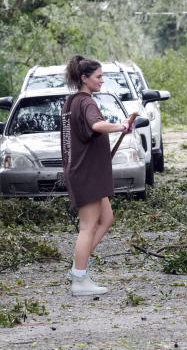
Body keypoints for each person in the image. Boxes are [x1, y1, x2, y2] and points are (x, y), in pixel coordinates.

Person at [62, 55, 134, 296]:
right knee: (88, 226)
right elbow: (96, 126)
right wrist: (121, 126)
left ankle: (77, 268)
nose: (102, 81)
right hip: (86, 173)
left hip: (85, 170)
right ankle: (79, 279)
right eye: (98, 77)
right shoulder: (86, 103)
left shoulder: (72, 102)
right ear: (84, 78)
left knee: (106, 219)